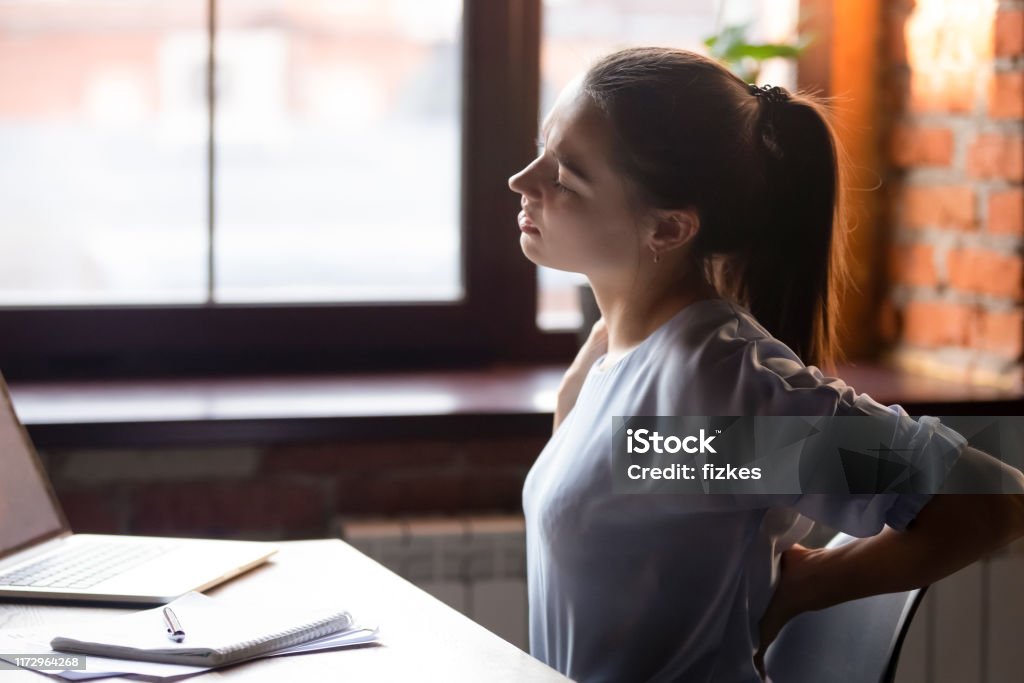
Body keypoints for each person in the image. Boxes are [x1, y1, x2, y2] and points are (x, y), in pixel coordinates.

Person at [507, 46, 1024, 683]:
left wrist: (810, 584)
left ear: (668, 229)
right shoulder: (615, 353)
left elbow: (988, 501)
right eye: (542, 148)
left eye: (564, 177)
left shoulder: (712, 381)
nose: (522, 180)